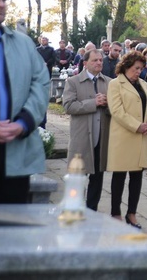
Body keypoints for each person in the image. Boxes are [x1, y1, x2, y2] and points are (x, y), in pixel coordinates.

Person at [0, 0, 49, 204]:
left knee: (11, 233)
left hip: (15, 159)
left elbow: (41, 82)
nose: (0, 4)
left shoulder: (23, 44)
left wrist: (24, 122)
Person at [107, 51, 147, 228]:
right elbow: (117, 111)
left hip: (143, 137)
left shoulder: (143, 84)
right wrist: (137, 126)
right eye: (136, 68)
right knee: (119, 176)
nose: (139, 72)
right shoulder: (115, 84)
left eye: (142, 68)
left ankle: (132, 213)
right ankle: (115, 213)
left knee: (137, 177)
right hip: (125, 137)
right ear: (127, 66)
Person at [62, 49, 110, 211]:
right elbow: (68, 106)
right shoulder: (73, 82)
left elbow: (116, 109)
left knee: (97, 178)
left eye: (101, 61)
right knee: (77, 178)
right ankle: (73, 210)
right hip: (82, 139)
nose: (99, 63)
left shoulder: (109, 82)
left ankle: (92, 211)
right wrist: (93, 103)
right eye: (95, 60)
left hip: (101, 138)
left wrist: (108, 104)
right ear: (85, 63)